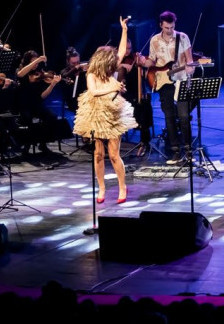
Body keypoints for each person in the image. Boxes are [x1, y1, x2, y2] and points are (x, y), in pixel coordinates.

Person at [72, 17, 136, 203]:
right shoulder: (92, 72)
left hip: (112, 110)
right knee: (98, 153)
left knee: (114, 154)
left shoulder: (112, 67)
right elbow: (94, 91)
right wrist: (114, 87)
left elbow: (122, 51)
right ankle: (101, 189)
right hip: (95, 112)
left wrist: (124, 30)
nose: (115, 63)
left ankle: (122, 188)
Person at [144, 11, 195, 164]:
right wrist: (146, 63)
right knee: (169, 117)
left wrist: (190, 68)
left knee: (184, 117)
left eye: (172, 27)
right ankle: (175, 151)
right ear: (161, 25)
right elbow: (152, 60)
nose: (169, 30)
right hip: (163, 81)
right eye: (166, 27)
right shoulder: (154, 40)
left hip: (181, 80)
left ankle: (188, 150)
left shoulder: (183, 37)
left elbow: (190, 60)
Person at [15, 50, 65, 154]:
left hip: (36, 104)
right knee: (28, 119)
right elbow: (20, 74)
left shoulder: (40, 74)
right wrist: (38, 59)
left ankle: (43, 143)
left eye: (37, 63)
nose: (36, 65)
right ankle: (27, 145)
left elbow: (42, 96)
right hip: (23, 105)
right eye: (33, 62)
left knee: (51, 117)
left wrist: (52, 85)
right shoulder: (21, 70)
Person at [117, 37, 153, 155]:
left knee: (144, 104)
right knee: (137, 106)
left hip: (135, 92)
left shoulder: (134, 57)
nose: (128, 51)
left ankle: (144, 141)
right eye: (125, 48)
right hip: (121, 94)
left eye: (130, 48)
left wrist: (141, 63)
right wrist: (122, 65)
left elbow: (143, 74)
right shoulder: (115, 58)